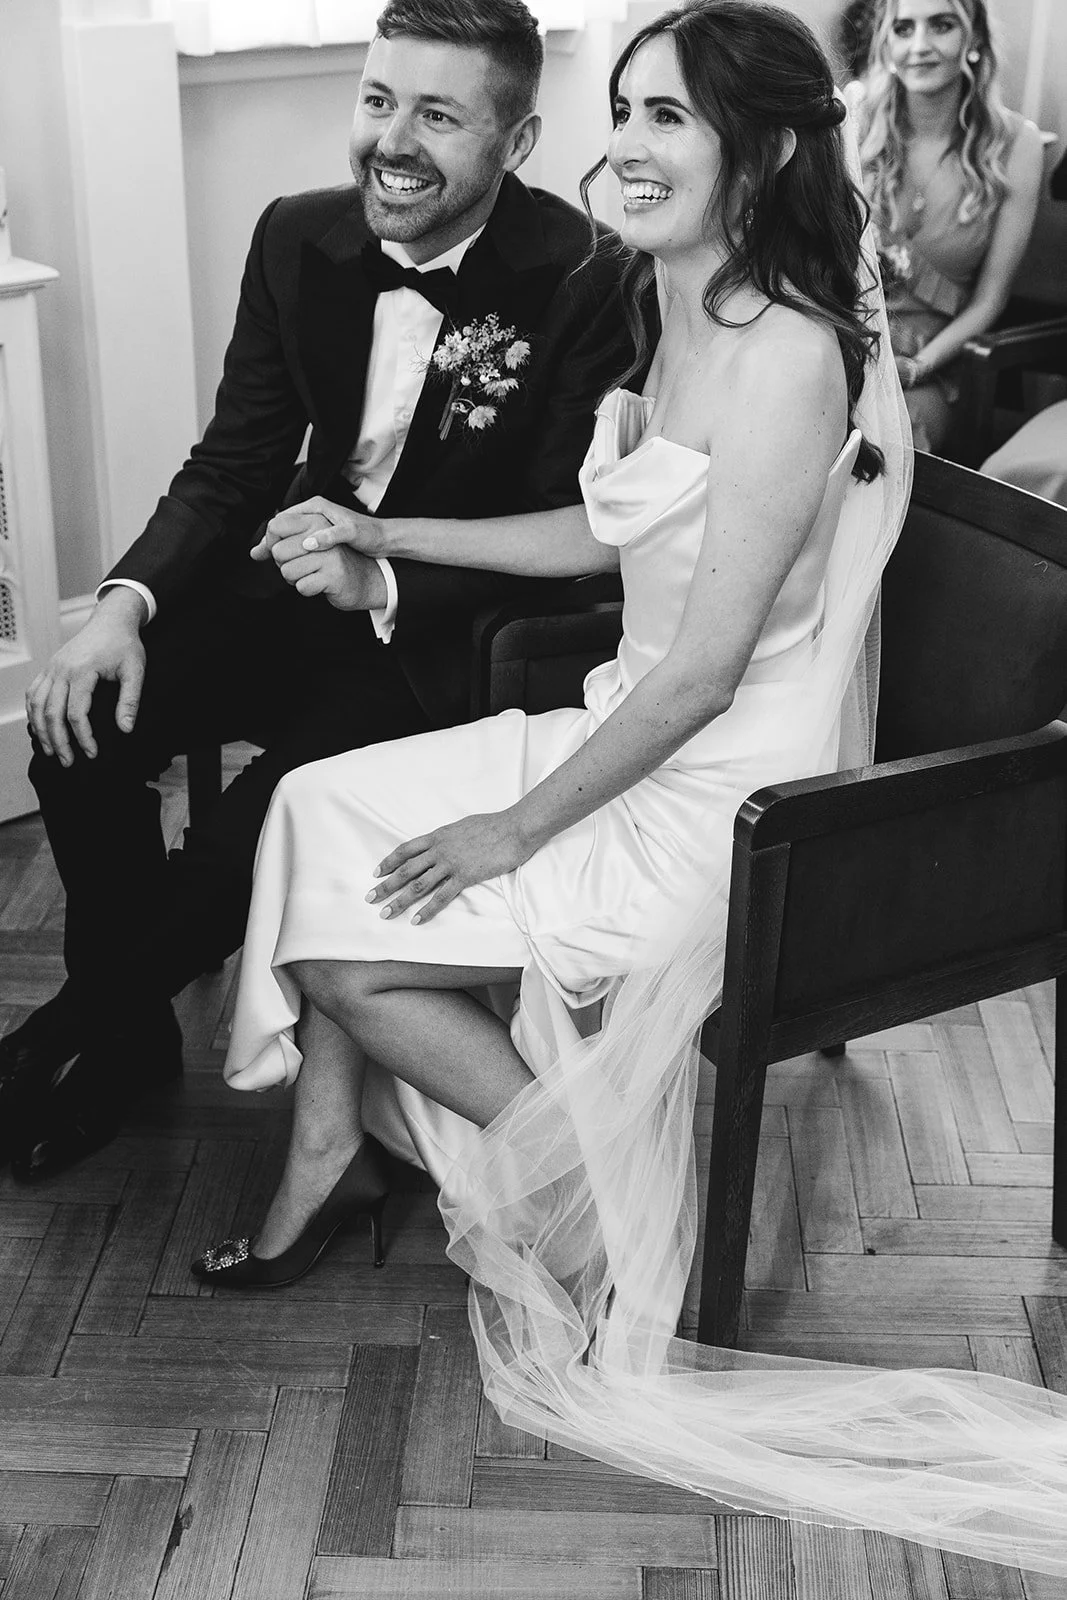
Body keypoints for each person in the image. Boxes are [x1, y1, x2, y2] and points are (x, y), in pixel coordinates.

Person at [192, 0, 1067, 1577]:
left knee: (346, 947)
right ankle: (331, 1145)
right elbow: (608, 534)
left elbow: (705, 672)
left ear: (763, 149)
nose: (630, 146)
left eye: (668, 116)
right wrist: (388, 533)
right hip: (626, 720)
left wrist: (512, 829)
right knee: (312, 802)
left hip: (720, 792)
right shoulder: (670, 295)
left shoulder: (788, 354)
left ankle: (593, 1198)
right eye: (625, 111)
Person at [0, 0, 638, 1182]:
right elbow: (234, 461)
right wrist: (123, 605)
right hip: (284, 588)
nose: (390, 141)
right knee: (74, 733)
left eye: (437, 116)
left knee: (242, 839)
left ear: (516, 140)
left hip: (436, 637)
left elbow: (564, 525)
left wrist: (382, 573)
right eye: (378, 99)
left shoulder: (585, 278)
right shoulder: (296, 233)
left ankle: (62, 1035)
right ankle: (127, 1033)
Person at [851, 0, 1043, 451]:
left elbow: (990, 299)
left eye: (941, 25)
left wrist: (917, 367)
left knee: (887, 440)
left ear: (973, 38)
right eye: (903, 29)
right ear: (886, 43)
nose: (920, 45)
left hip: (934, 364)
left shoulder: (1017, 144)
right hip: (847, 338)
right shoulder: (856, 121)